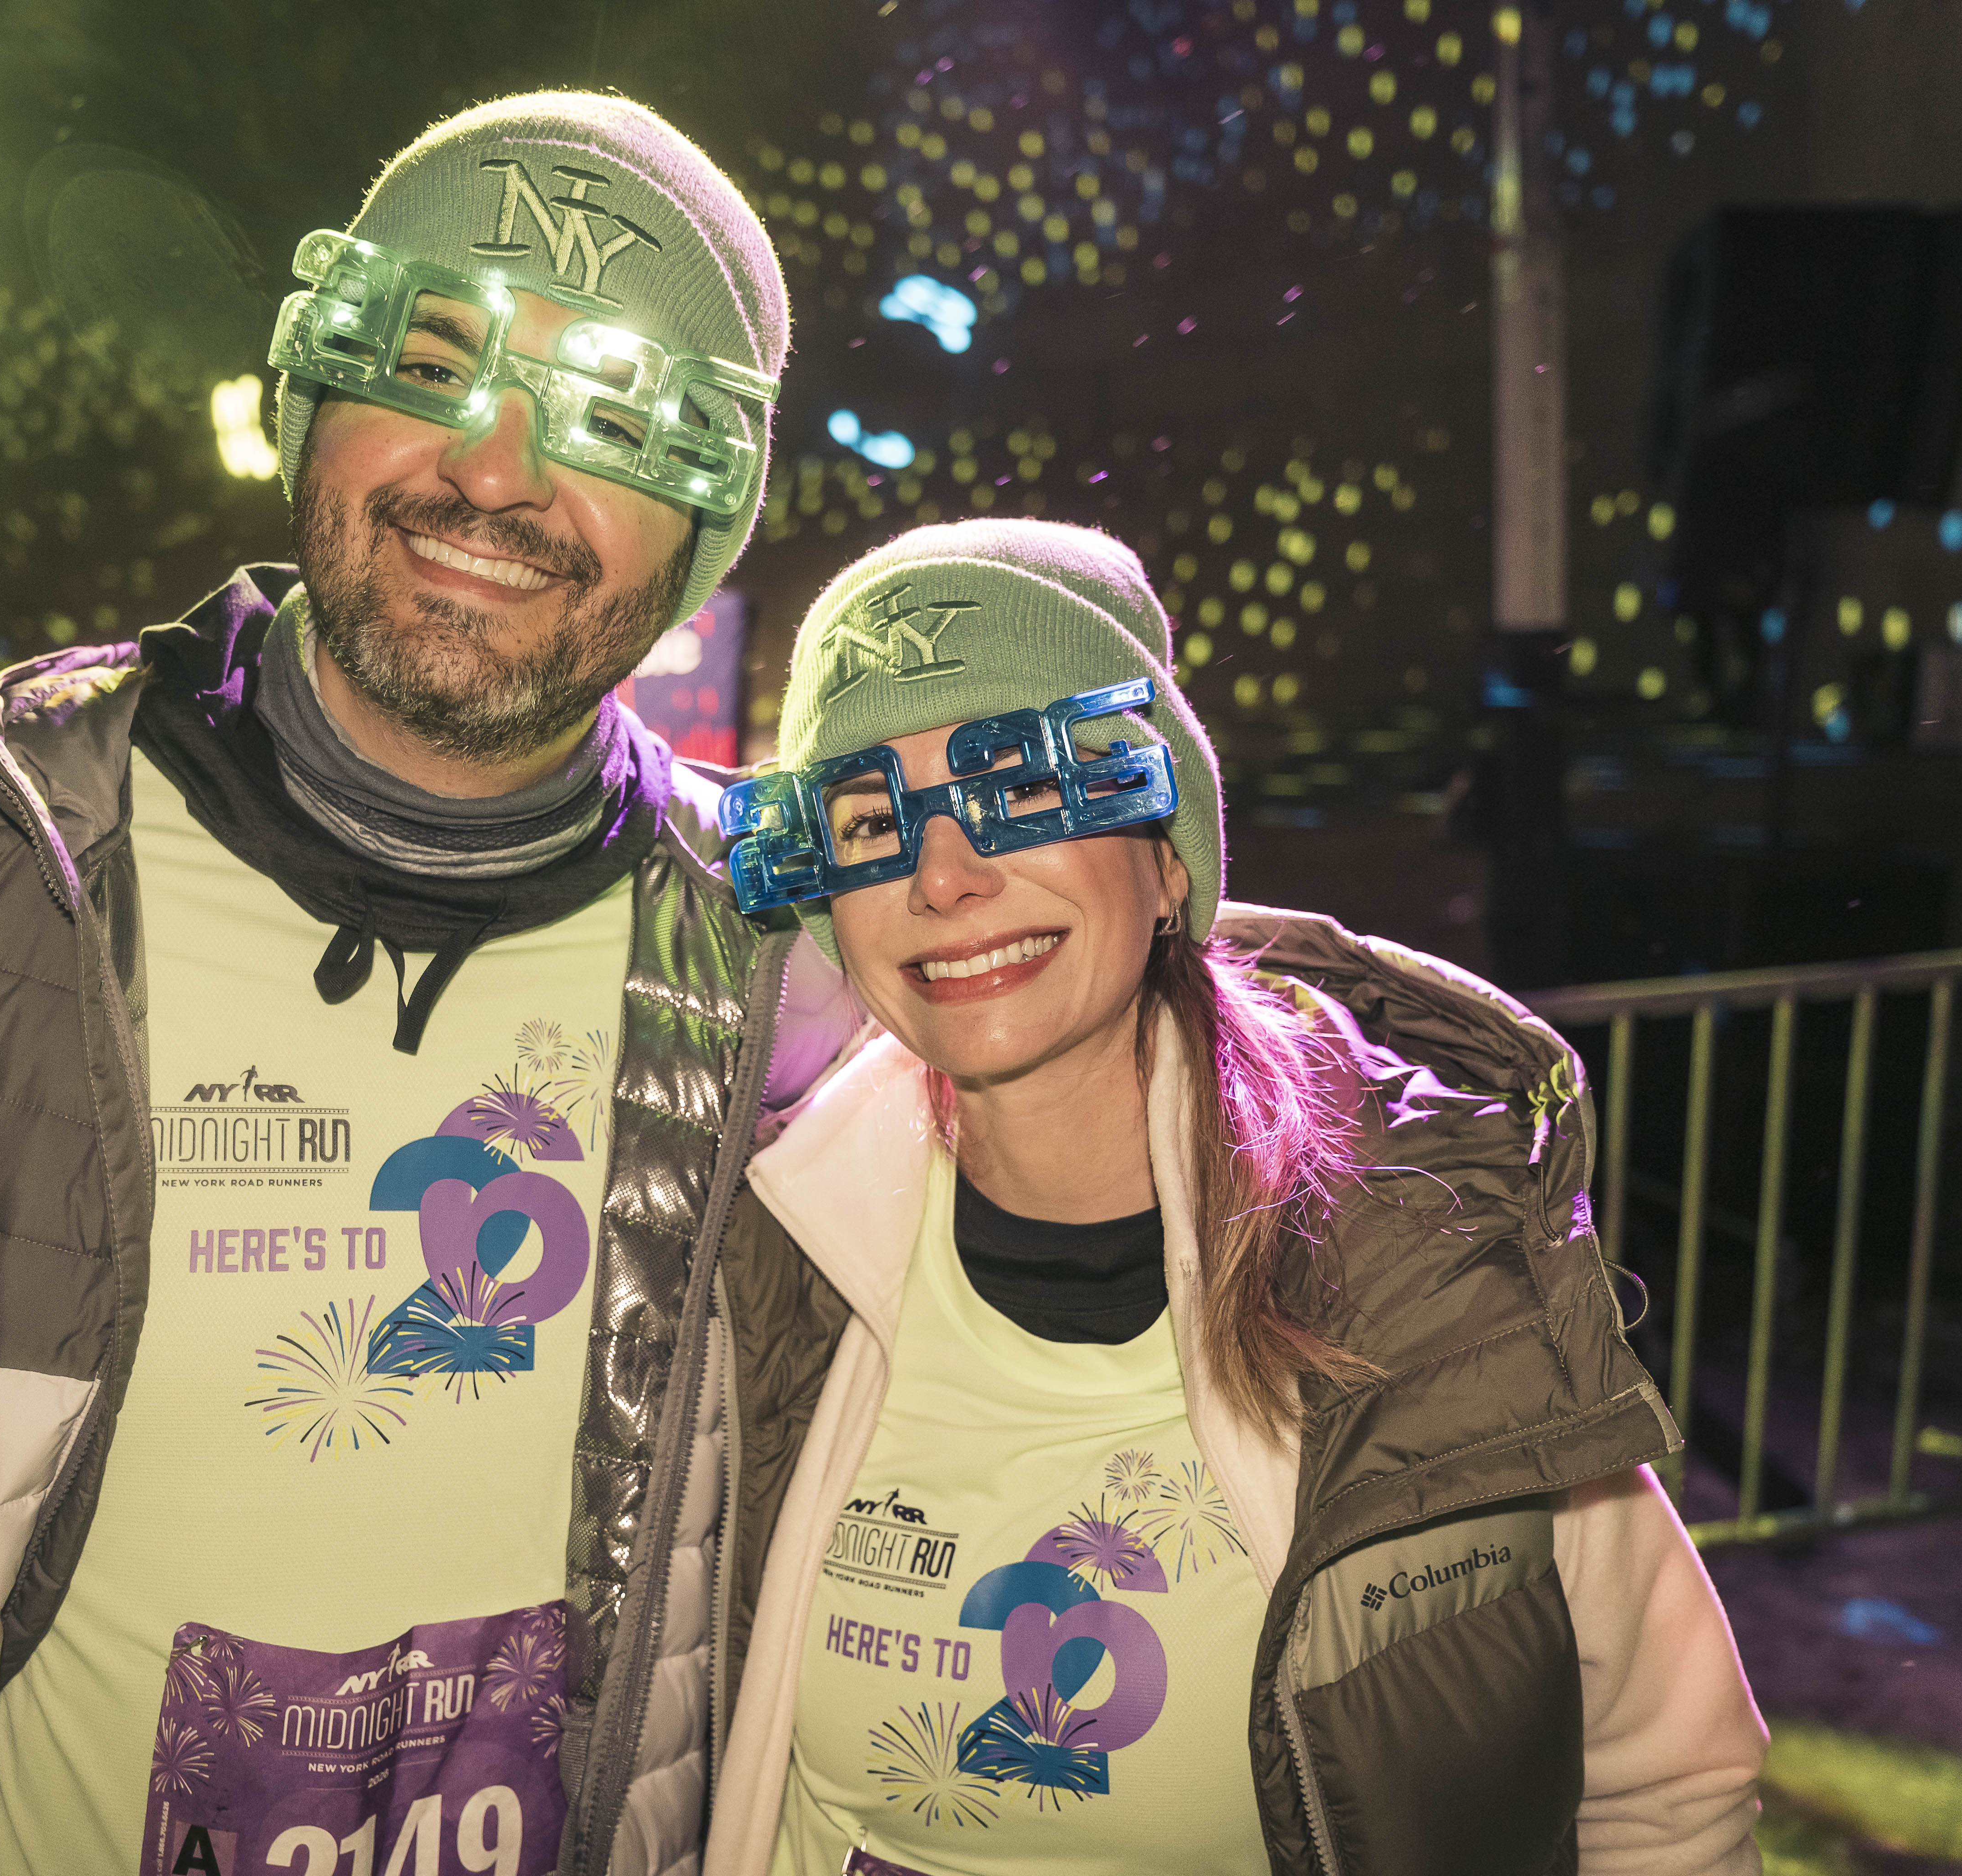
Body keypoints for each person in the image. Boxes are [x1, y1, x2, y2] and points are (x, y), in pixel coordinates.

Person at [0, 93, 865, 1876]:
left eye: (617, 417)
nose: (495, 472)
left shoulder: (794, 958)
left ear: (709, 515)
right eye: (430, 363)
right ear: (304, 394)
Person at [702, 520, 1768, 1876]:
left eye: (1024, 787)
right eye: (869, 821)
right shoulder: (763, 1265)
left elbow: (1668, 1788)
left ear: (1168, 858)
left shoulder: (1428, 1279)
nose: (945, 876)